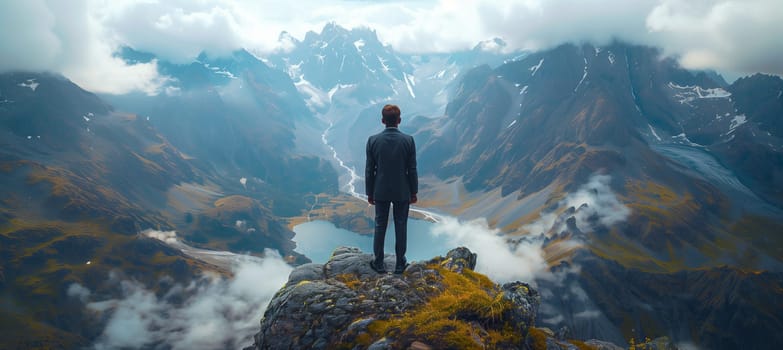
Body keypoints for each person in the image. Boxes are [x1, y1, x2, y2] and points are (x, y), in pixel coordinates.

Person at [365, 104, 418, 274]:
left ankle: (378, 263)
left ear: (382, 121)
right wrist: (414, 191)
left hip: (380, 190)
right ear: (399, 120)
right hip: (403, 190)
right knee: (401, 225)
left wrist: (370, 192)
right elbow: (412, 169)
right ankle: (400, 264)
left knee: (380, 225)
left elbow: (369, 170)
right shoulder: (408, 140)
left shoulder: (373, 140)